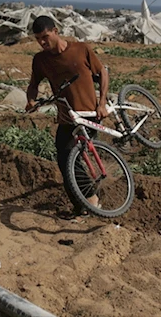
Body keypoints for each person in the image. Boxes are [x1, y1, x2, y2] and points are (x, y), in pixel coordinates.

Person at [25, 15, 109, 220]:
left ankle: (91, 200)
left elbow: (102, 73)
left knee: (74, 158)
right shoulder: (41, 60)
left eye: (45, 37)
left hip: (89, 115)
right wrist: (31, 100)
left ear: (55, 31)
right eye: (38, 39)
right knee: (65, 160)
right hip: (66, 117)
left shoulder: (81, 49)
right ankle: (82, 206)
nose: (42, 42)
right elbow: (34, 84)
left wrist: (102, 103)